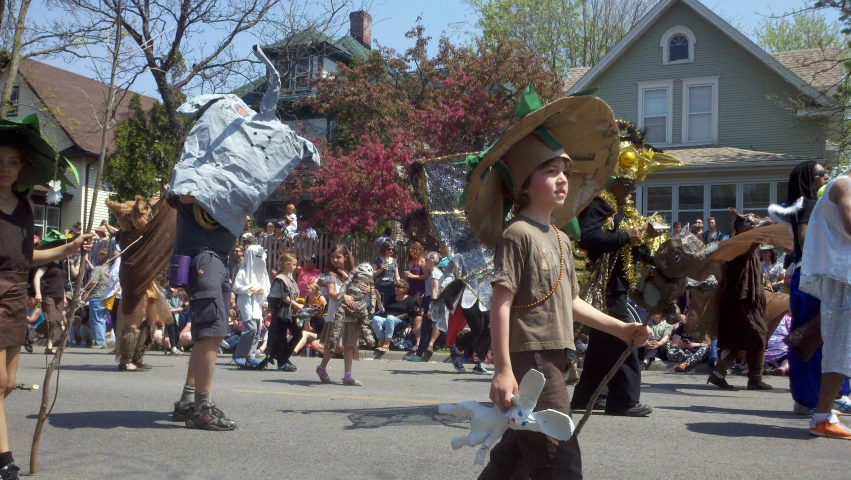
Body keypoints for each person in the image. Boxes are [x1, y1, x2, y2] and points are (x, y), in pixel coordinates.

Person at [459, 90, 649, 478]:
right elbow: (501, 303)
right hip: (531, 360)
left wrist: (622, 328)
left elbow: (571, 303)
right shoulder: (518, 234)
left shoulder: (561, 238)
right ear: (525, 185)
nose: (562, 179)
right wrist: (502, 369)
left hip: (557, 357)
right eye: (550, 171)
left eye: (564, 171)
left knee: (515, 453)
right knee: (558, 456)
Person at [1, 115, 94, 479]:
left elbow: (27, 258)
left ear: (22, 166)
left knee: (7, 384)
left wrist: (69, 246)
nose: (5, 169)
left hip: (15, 297)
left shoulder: (24, 207)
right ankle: (4, 460)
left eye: (12, 162)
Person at [570, 123, 680, 417]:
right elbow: (588, 239)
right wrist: (627, 236)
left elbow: (628, 249)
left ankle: (587, 396)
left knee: (602, 343)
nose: (631, 189)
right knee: (627, 338)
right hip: (602, 288)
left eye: (634, 185)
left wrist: (647, 247)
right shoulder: (597, 205)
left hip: (616, 287)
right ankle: (624, 400)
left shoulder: (620, 210)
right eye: (626, 183)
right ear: (612, 179)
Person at [768, 160, 849, 414]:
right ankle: (812, 399)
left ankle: (817, 398)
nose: (825, 177)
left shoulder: (807, 205)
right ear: (808, 178)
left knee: (819, 338)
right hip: (812, 277)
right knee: (814, 339)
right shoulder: (808, 205)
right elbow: (804, 239)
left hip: (808, 275)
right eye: (820, 173)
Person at [799, 171, 851, 439]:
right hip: (845, 279)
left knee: (843, 348)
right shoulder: (845, 185)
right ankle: (822, 417)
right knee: (841, 348)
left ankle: (825, 413)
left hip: (843, 275)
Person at [706, 210, 774, 391]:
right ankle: (754, 379)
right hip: (739, 301)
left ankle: (720, 375)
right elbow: (752, 243)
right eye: (748, 227)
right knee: (758, 336)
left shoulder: (747, 248)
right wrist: (763, 226)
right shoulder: (738, 247)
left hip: (747, 301)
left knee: (739, 339)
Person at [315, 245, 368, 385]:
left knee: (349, 345)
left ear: (345, 257)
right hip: (336, 315)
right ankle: (322, 367)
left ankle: (348, 375)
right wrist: (343, 296)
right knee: (334, 346)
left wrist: (366, 290)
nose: (335, 260)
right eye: (332, 257)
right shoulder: (330, 276)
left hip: (350, 315)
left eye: (338, 257)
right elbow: (331, 294)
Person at [231, 236, 270, 367]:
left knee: (257, 330)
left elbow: (267, 287)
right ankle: (239, 353)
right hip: (246, 302)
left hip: (257, 303)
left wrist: (262, 292)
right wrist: (249, 288)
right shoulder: (243, 271)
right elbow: (236, 287)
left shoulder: (262, 273)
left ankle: (250, 356)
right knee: (251, 328)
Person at [264, 253, 304, 372]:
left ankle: (284, 357)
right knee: (280, 336)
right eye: (294, 264)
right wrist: (297, 305)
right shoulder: (280, 279)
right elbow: (282, 296)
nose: (296, 267)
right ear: (287, 265)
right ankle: (281, 362)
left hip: (290, 312)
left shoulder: (289, 278)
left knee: (298, 334)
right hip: (282, 312)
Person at [404, 251, 443, 362]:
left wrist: (432, 307)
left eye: (426, 260)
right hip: (429, 300)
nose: (425, 261)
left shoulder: (435, 274)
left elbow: (435, 291)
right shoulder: (434, 273)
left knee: (427, 327)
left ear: (431, 261)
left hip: (432, 301)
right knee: (427, 327)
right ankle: (420, 353)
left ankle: (454, 351)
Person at [371, 279, 418, 352]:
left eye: (399, 287)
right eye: (395, 286)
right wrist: (379, 300)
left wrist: (396, 317)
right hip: (388, 320)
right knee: (376, 318)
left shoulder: (409, 299)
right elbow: (383, 311)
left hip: (401, 322)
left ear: (405, 289)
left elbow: (410, 313)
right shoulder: (392, 298)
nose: (396, 288)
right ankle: (381, 342)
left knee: (390, 318)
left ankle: (386, 344)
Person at [82, 251, 111, 348]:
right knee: (101, 319)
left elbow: (93, 281)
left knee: (97, 320)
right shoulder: (109, 270)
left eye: (100, 255)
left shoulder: (98, 269)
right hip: (106, 297)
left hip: (96, 296)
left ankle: (100, 342)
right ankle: (101, 340)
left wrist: (85, 289)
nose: (98, 257)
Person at [373, 241, 398, 313]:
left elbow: (397, 275)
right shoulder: (378, 260)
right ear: (384, 249)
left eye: (392, 249)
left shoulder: (394, 261)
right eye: (389, 249)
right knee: (379, 305)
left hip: (391, 286)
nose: (391, 251)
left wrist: (399, 285)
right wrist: (380, 270)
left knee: (390, 305)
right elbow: (372, 274)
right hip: (380, 286)